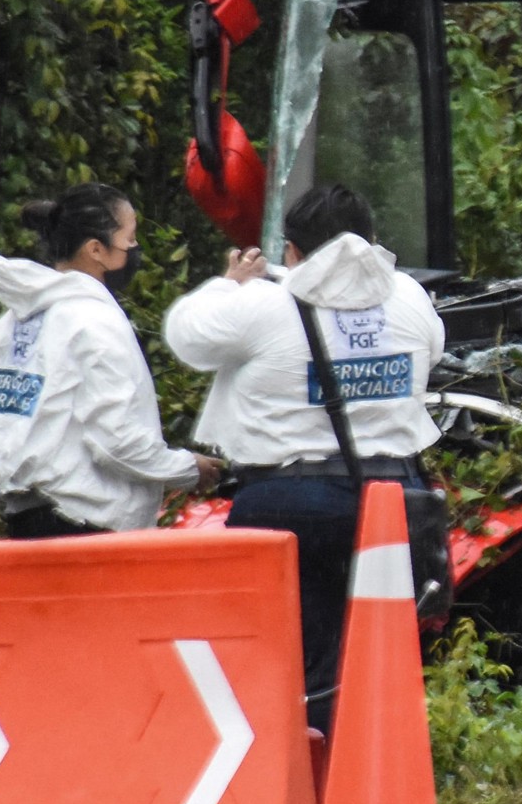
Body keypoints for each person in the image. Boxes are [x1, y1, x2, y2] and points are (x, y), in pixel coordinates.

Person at [164, 184, 444, 731]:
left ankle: (300, 773)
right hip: (391, 501)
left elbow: (185, 338)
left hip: (286, 503)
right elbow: (430, 352)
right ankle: (368, 767)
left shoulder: (261, 304)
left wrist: (229, 284)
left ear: (291, 251)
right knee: (377, 656)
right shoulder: (409, 295)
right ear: (374, 242)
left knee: (285, 658)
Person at [0, 183, 220, 537]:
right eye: (130, 239)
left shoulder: (13, 323)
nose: (135, 250)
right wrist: (186, 468)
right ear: (96, 250)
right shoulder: (93, 321)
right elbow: (115, 441)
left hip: (24, 515)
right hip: (85, 522)